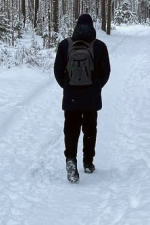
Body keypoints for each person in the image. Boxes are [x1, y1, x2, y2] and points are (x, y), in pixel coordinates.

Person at [53, 13, 111, 183]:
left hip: (71, 96)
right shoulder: (99, 46)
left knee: (71, 129)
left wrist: (67, 86)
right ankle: (88, 162)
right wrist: (96, 86)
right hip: (91, 96)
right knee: (90, 129)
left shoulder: (65, 45)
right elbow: (106, 72)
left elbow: (57, 71)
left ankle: (71, 159)